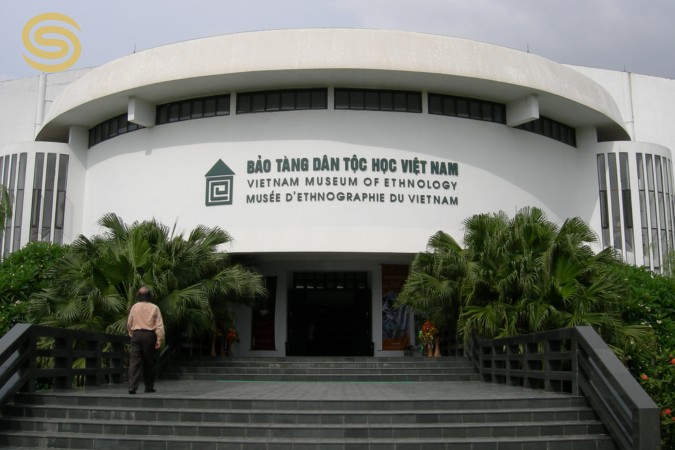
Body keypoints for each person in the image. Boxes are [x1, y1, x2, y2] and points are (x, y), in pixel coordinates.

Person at [127, 286, 165, 394]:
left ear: (138, 296)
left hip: (136, 335)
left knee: (134, 361)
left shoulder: (134, 307)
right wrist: (159, 339)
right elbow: (159, 325)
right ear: (149, 296)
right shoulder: (154, 307)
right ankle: (148, 387)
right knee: (149, 362)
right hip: (149, 336)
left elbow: (129, 323)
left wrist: (132, 333)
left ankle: (132, 387)